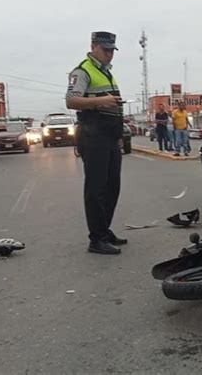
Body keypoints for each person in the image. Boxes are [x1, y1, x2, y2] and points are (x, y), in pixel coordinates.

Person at [65, 31, 127, 255]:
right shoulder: (82, 71)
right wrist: (102, 100)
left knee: (112, 187)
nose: (110, 54)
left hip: (110, 137)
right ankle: (96, 238)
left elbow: (114, 108)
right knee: (96, 188)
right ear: (93, 47)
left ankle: (104, 229)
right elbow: (71, 100)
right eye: (105, 50)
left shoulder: (107, 73)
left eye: (112, 50)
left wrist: (119, 136)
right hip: (93, 135)